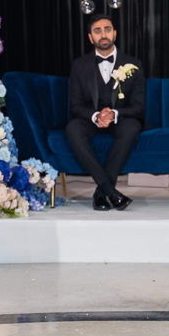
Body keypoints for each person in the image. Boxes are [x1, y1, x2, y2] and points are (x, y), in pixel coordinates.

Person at [66, 14, 146, 211]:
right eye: (97, 31)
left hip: (121, 120)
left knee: (133, 127)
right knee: (72, 128)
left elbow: (139, 107)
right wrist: (96, 116)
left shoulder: (133, 64)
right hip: (91, 121)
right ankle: (110, 191)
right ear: (90, 37)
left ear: (115, 34)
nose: (103, 35)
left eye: (107, 29)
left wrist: (113, 114)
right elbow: (75, 106)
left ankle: (102, 194)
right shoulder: (79, 65)